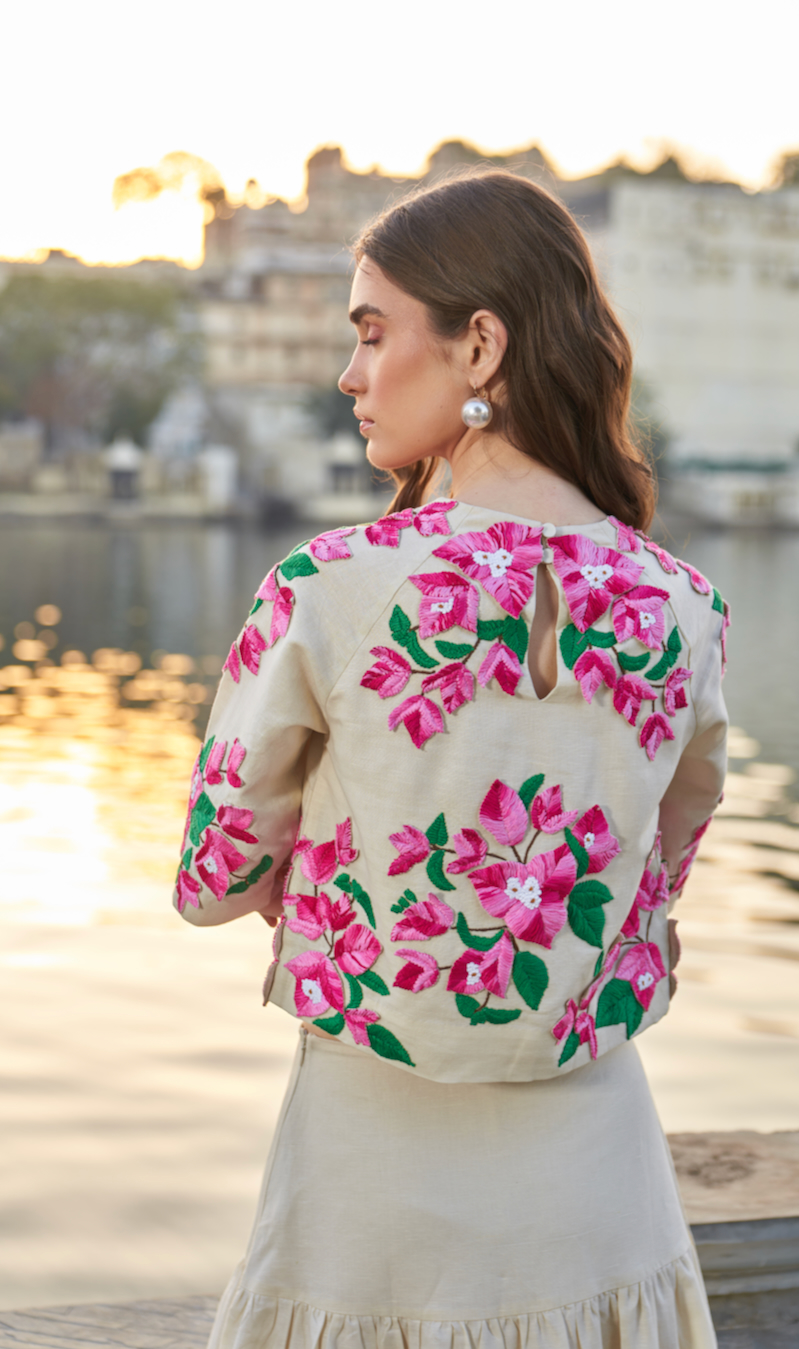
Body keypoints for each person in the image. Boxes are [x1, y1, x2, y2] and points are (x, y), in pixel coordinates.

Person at [175, 170, 729, 1349]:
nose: (350, 373)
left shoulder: (326, 588)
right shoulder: (684, 605)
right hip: (596, 1184)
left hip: (370, 1175)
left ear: (479, 345)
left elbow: (213, 878)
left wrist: (336, 872)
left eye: (373, 333)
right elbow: (656, 875)